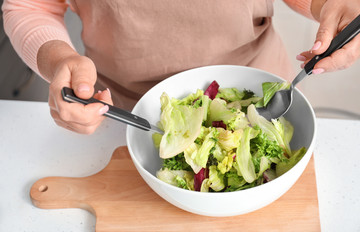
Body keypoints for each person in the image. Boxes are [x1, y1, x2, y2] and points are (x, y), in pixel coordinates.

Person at [2, 0, 360, 134]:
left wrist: (331, 4)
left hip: (260, 90)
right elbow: (31, 6)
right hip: (128, 112)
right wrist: (60, 60)